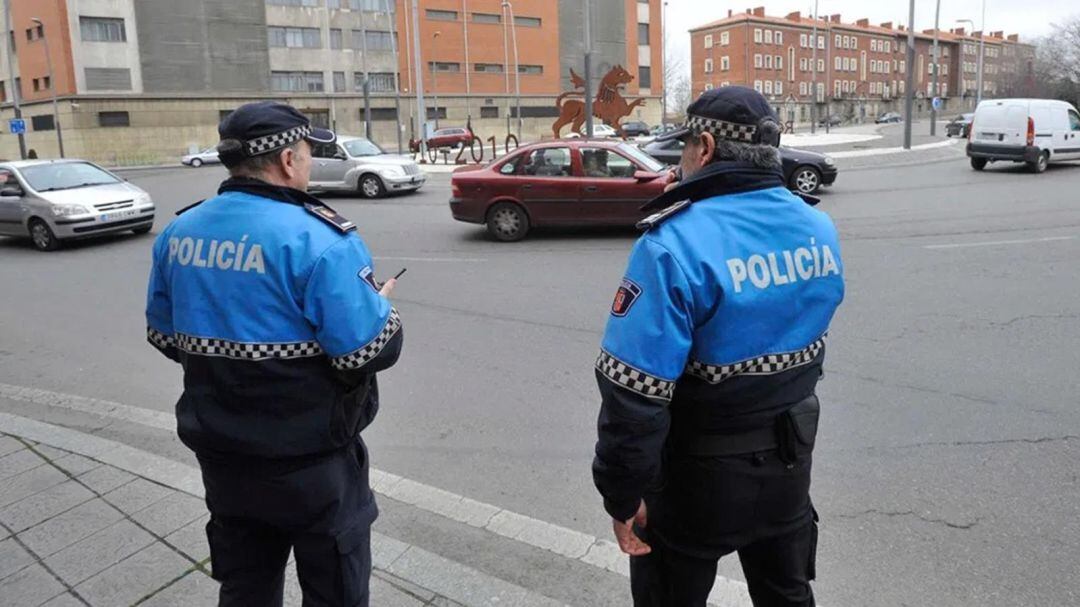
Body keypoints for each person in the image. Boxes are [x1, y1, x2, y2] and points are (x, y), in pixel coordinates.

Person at [592, 86, 845, 606]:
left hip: (696, 479)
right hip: (791, 464)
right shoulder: (818, 227)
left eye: (687, 146)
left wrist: (621, 493)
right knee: (787, 596)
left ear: (704, 147)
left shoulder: (673, 243)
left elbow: (634, 393)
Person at [145, 101, 403, 607]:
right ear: (288, 159)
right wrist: (379, 307)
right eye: (307, 152)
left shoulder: (180, 233)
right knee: (335, 589)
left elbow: (166, 338)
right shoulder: (319, 238)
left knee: (245, 586)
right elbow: (367, 353)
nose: (308, 163)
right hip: (311, 463)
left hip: (222, 453)